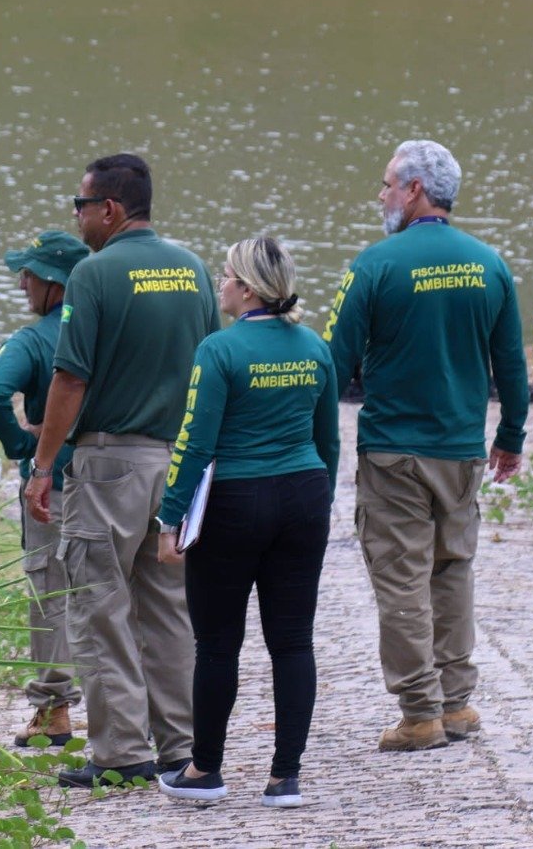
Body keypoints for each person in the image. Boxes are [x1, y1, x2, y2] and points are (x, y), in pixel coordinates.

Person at [324, 139, 530, 752]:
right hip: (462, 450)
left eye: (387, 184)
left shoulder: (374, 265)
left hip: (394, 451)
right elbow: (511, 366)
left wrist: (305, 439)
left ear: (414, 190)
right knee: (452, 570)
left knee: (401, 578)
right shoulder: (489, 264)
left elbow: (332, 361)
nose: (381, 195)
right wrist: (511, 436)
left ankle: (420, 714)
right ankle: (457, 702)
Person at [23, 153, 220, 790]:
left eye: (81, 206)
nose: (77, 218)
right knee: (168, 609)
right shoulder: (192, 269)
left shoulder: (95, 273)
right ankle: (179, 744)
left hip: (109, 464)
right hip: (175, 461)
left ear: (110, 208)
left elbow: (70, 376)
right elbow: (213, 362)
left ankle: (118, 751)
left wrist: (44, 464)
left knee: (99, 605)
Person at [154, 237, 340, 809]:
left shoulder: (219, 350)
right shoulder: (314, 347)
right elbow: (327, 440)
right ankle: (286, 778)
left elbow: (194, 442)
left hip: (235, 501)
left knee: (216, 645)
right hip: (303, 495)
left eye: (227, 275)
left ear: (250, 290)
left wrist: (170, 519)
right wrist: (317, 504)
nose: (221, 283)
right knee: (292, 642)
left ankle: (204, 771)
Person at [0, 230, 88, 750]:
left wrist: (20, 444)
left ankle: (54, 710)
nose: (22, 283)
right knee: (120, 594)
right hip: (116, 478)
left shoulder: (35, 339)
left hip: (55, 485)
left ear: (51, 283)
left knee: (51, 593)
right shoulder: (105, 327)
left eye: (28, 274)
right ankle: (143, 712)